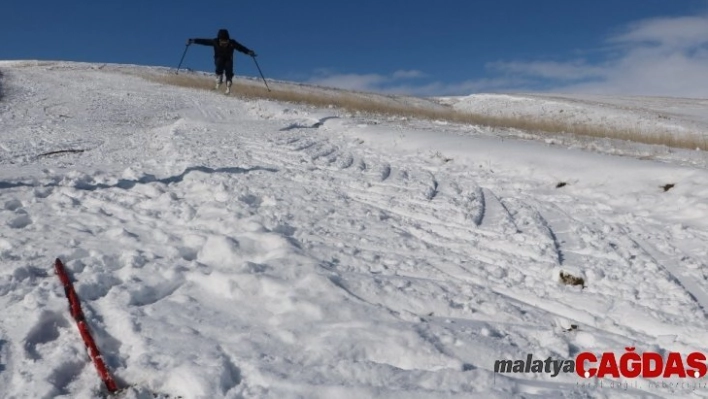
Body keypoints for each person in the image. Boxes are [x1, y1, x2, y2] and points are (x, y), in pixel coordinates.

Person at [187, 29, 257, 94]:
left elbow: (241, 48)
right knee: (219, 63)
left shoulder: (232, 43)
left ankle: (228, 84)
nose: (224, 44)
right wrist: (193, 41)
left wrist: (248, 52)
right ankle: (219, 80)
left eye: (225, 41)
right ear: (219, 39)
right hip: (219, 59)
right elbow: (204, 41)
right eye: (222, 41)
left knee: (228, 69)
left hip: (228, 59)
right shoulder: (215, 42)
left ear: (228, 40)